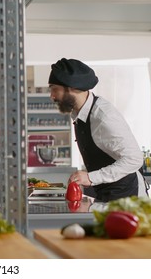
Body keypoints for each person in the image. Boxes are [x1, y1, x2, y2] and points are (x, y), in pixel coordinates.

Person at [48, 58, 145, 202]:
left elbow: (134, 159)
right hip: (106, 192)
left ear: (73, 87)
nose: (52, 96)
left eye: (55, 89)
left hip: (127, 195)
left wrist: (90, 177)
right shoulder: (79, 114)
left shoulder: (103, 116)